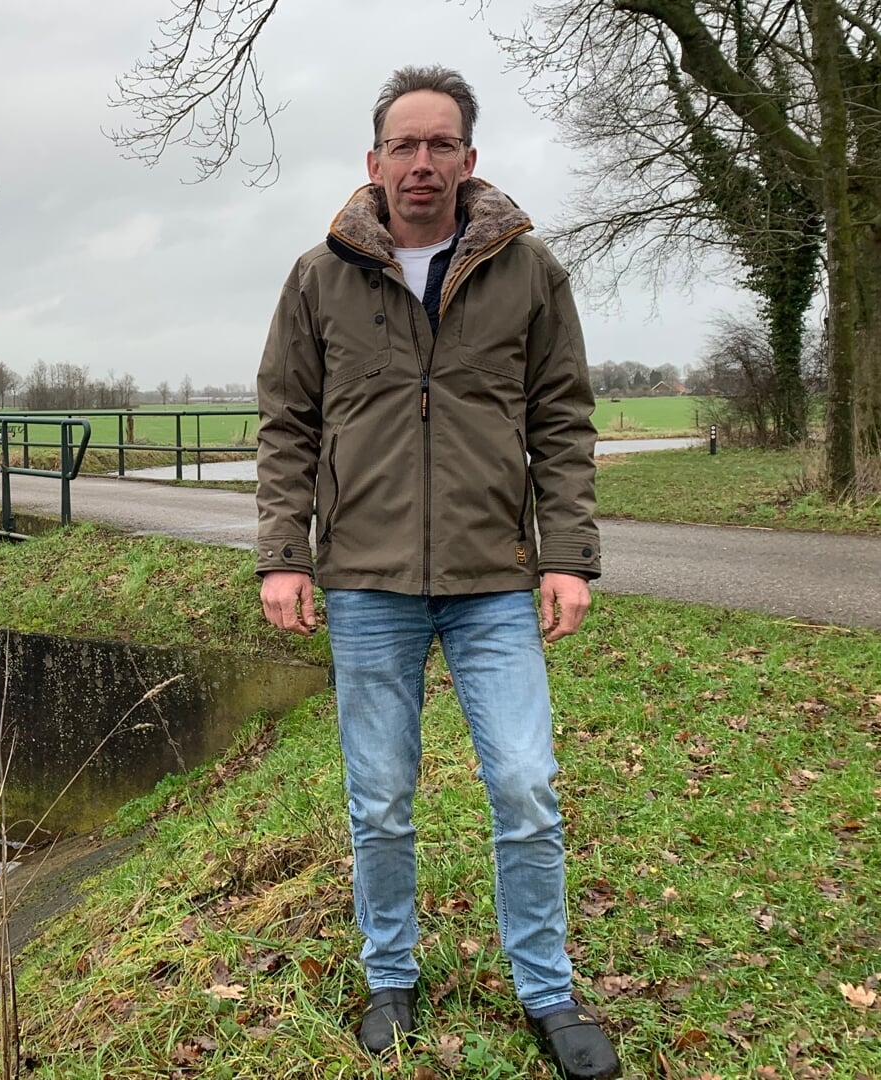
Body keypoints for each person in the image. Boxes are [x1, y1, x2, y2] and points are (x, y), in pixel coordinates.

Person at [253, 67, 620, 1079]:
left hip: (494, 581)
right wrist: (284, 553)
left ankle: (545, 990)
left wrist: (565, 557)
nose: (421, 163)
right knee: (378, 796)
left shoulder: (529, 272)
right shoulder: (316, 277)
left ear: (467, 159)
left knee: (524, 784)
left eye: (439, 145)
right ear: (372, 164)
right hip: (366, 582)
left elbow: (560, 421)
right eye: (402, 147)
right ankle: (389, 977)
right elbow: (285, 426)